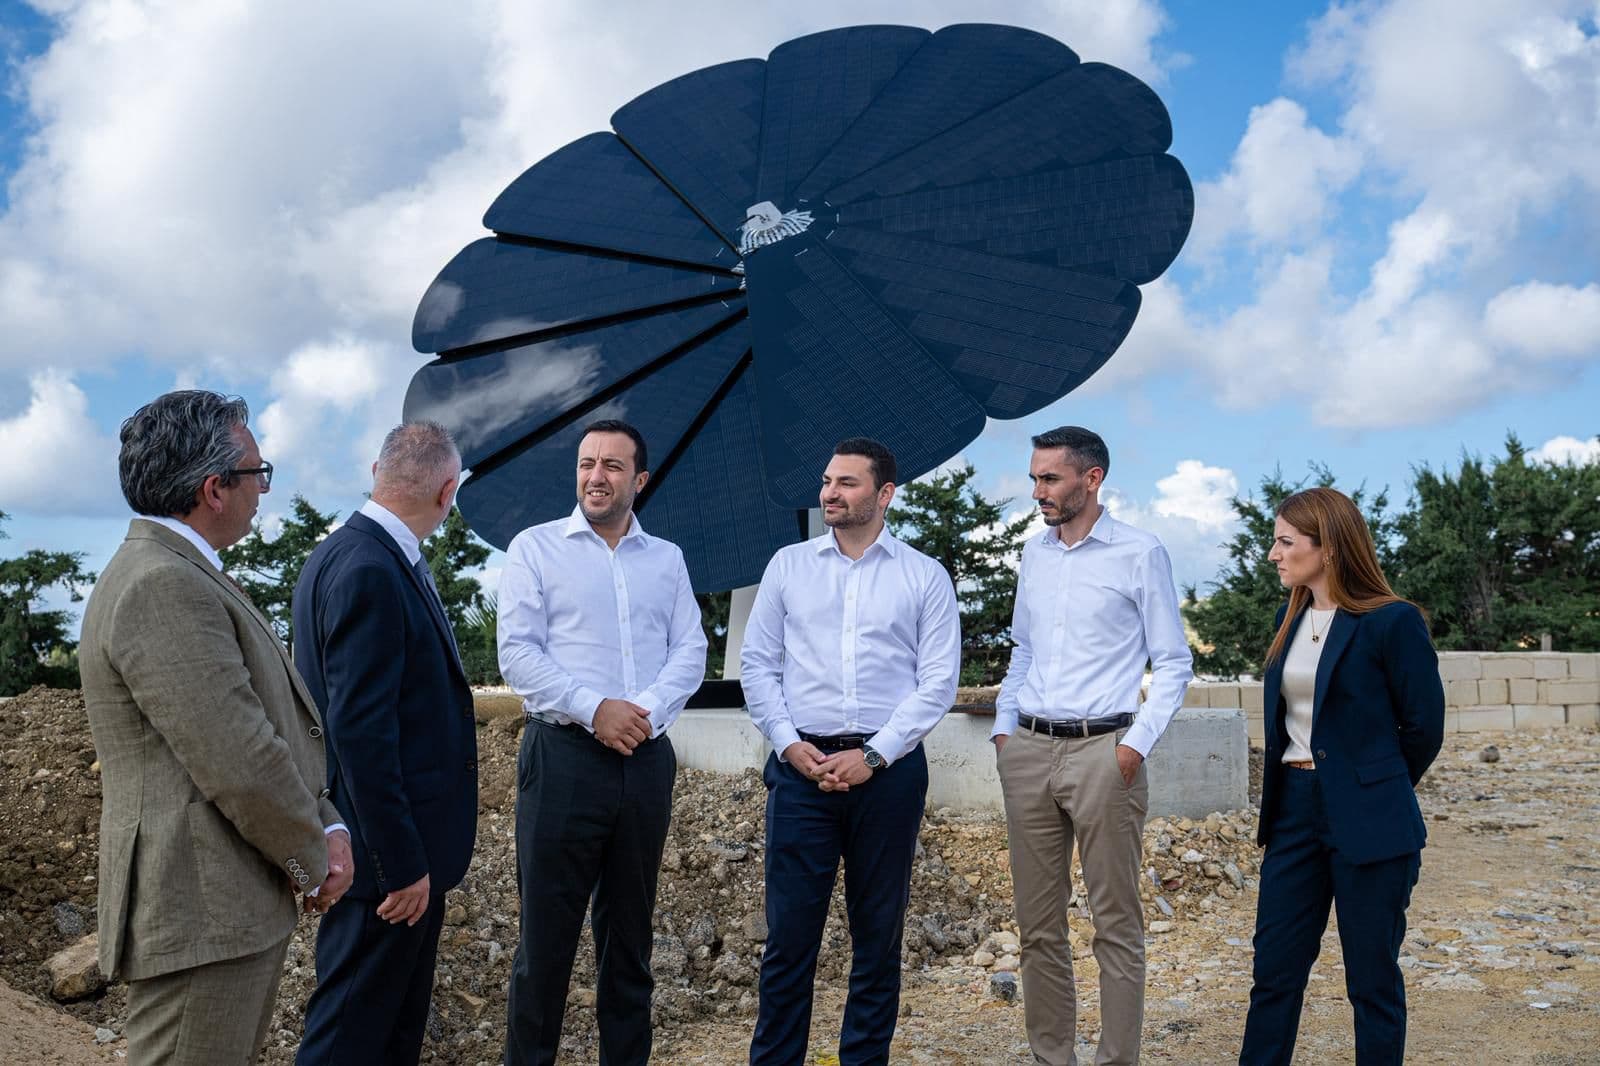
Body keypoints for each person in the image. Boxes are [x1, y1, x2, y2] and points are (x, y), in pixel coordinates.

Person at [78, 390, 353, 1066]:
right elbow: (237, 755)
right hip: (202, 907)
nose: (263, 491)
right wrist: (312, 856)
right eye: (258, 474)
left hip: (220, 905)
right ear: (214, 489)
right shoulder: (161, 585)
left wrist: (324, 820)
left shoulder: (180, 573)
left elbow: (261, 722)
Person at [742, 436, 961, 1066]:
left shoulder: (924, 575)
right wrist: (788, 744)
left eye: (846, 483)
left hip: (887, 775)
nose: (829, 493)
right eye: (827, 481)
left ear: (884, 493)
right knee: (788, 939)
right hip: (799, 773)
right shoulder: (787, 566)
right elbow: (759, 666)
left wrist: (876, 754)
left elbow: (937, 682)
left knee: (877, 935)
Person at [499, 419, 707, 1065]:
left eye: (613, 466)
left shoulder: (666, 558)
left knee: (629, 939)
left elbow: (691, 649)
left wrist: (638, 712)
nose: (596, 476)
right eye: (588, 463)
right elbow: (518, 654)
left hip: (644, 760)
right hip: (561, 757)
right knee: (546, 944)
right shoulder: (534, 548)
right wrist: (597, 710)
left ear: (639, 480)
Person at [992, 425, 1193, 1066]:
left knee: (1116, 925)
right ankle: (1053, 1057)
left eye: (1049, 478)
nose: (1037, 491)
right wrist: (1004, 726)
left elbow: (1173, 663)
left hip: (1105, 752)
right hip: (1028, 749)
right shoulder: (1036, 554)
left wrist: (1133, 746)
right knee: (1037, 928)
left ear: (1092, 479)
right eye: (1034, 478)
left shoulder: (1139, 552)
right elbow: (1022, 649)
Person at [292, 422, 478, 1065]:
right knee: (350, 1036)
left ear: (377, 470)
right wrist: (401, 863)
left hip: (394, 857)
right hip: (388, 868)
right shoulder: (371, 567)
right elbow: (361, 731)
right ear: (447, 491)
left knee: (391, 1033)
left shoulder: (348, 553)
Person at [1239, 487, 1445, 1065]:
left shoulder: (1392, 622)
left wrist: (1372, 786)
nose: (1274, 554)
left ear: (1327, 547)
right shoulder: (1288, 617)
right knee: (1274, 972)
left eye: (1285, 542)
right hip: (1293, 813)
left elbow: (1423, 727)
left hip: (1370, 817)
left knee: (1371, 981)